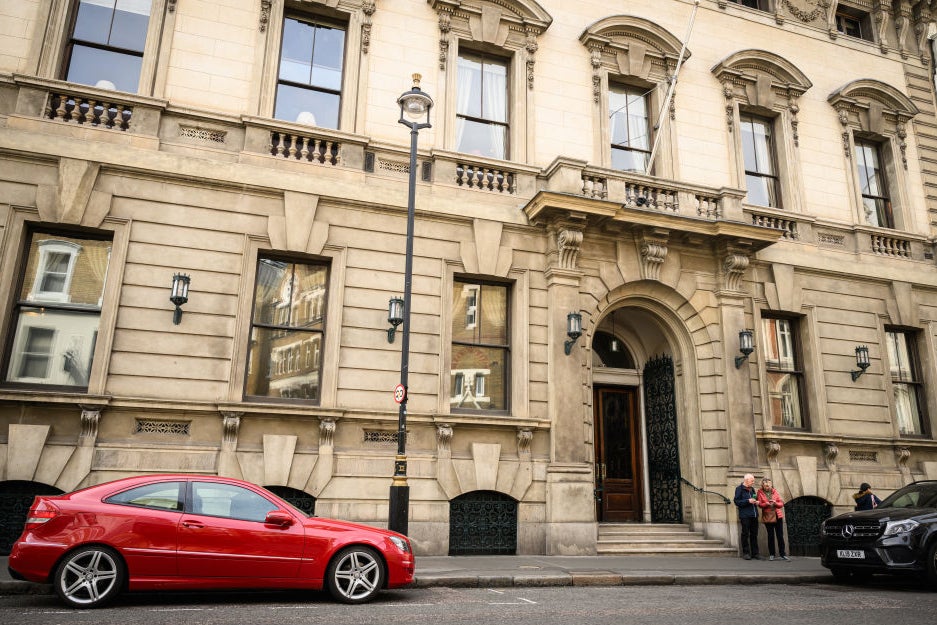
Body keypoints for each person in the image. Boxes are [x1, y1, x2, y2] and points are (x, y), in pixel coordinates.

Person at [756, 477, 789, 561]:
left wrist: (775, 503)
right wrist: (766, 504)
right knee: (770, 536)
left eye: (769, 485)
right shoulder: (760, 492)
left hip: (778, 515)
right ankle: (772, 554)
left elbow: (781, 503)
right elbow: (760, 504)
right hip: (768, 516)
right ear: (763, 485)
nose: (768, 487)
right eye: (766, 485)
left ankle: (783, 554)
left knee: (780, 536)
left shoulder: (775, 491)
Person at [734, 473, 761, 560]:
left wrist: (756, 502)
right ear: (746, 480)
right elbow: (737, 502)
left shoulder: (752, 489)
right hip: (745, 515)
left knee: (754, 534)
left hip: (754, 515)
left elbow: (754, 498)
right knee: (745, 534)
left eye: (753, 480)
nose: (753, 482)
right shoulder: (739, 489)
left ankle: (755, 553)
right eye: (752, 480)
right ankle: (746, 553)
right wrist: (747, 501)